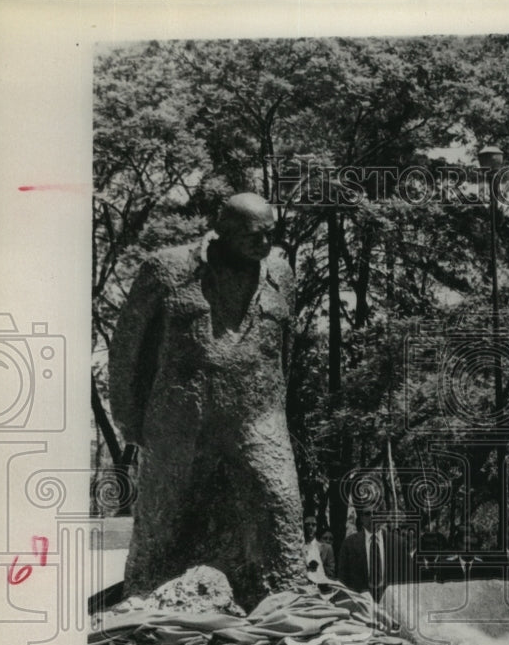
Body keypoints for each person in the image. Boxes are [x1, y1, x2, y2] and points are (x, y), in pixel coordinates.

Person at [109, 192, 303, 608]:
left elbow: (283, 349)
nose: (264, 244)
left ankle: (286, 595)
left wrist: (280, 409)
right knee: (162, 515)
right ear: (224, 232)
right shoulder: (167, 269)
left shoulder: (282, 275)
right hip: (178, 418)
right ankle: (144, 594)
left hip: (257, 416)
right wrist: (129, 420)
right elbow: (127, 349)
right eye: (253, 236)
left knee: (279, 502)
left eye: (270, 234)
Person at [338, 506, 410, 601]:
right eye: (368, 514)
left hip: (391, 601)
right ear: (362, 518)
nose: (372, 517)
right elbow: (343, 578)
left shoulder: (398, 543)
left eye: (376, 513)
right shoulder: (349, 544)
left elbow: (406, 576)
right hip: (360, 603)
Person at [303, 515, 335, 581]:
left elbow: (331, 571)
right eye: (307, 525)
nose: (310, 527)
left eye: (313, 525)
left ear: (317, 527)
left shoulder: (326, 548)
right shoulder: (299, 546)